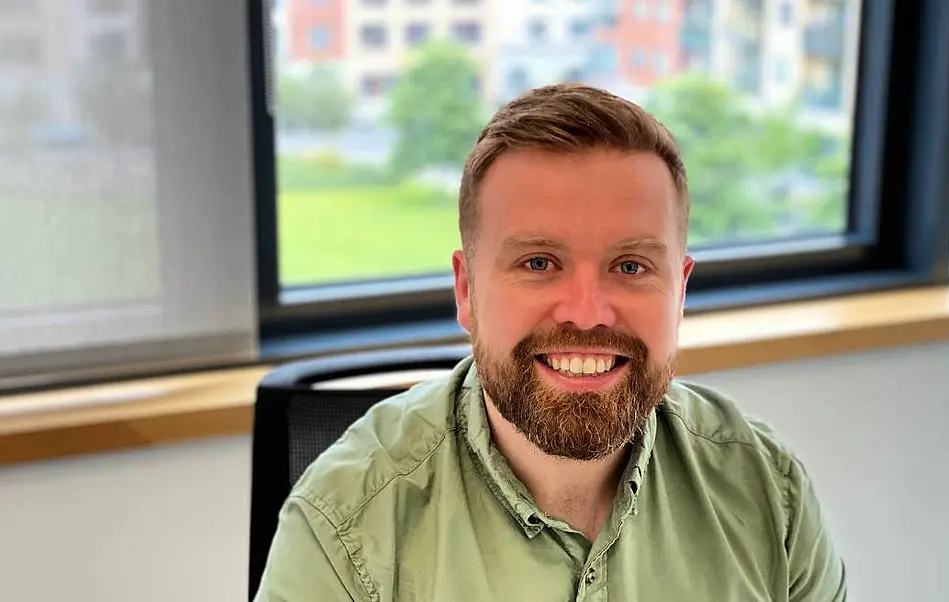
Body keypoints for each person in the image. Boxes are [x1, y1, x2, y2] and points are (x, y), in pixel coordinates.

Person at [253, 83, 847, 601]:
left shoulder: (770, 489)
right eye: (539, 262)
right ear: (467, 291)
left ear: (680, 292)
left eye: (632, 266)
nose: (587, 313)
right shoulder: (345, 524)